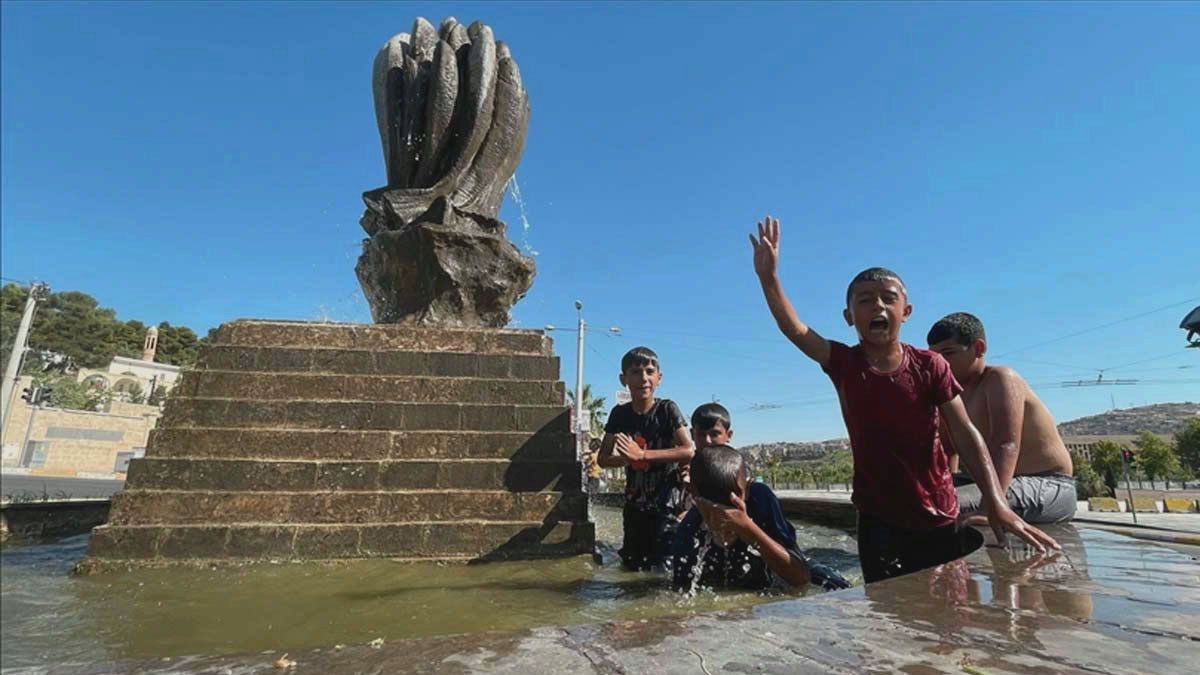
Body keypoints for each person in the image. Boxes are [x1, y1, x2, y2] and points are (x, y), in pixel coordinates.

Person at [748, 214, 1058, 584]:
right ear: (849, 316)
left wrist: (996, 500)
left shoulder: (930, 366)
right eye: (865, 301)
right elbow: (795, 329)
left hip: (938, 513)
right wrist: (769, 280)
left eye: (887, 299)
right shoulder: (844, 364)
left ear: (905, 312)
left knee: (948, 613)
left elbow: (965, 433)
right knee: (884, 614)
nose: (877, 306)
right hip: (877, 519)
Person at [672, 408, 851, 591]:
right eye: (712, 505)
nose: (724, 513)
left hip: (784, 568)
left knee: (835, 584)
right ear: (696, 498)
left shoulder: (759, 498)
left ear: (745, 491)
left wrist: (747, 528)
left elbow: (800, 578)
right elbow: (681, 591)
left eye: (732, 501)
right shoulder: (690, 529)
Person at [927, 312, 1076, 523]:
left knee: (940, 508)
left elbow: (1006, 443)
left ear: (978, 348)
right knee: (913, 499)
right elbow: (947, 451)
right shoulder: (950, 396)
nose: (939, 364)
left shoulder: (1000, 379)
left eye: (948, 353)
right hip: (983, 482)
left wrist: (990, 507)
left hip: (1048, 484)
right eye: (934, 357)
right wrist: (944, 484)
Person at [597, 346, 694, 570]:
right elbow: (603, 458)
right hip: (634, 503)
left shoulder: (667, 410)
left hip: (667, 502)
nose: (644, 378)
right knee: (631, 564)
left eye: (650, 372)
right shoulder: (619, 414)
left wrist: (642, 454)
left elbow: (688, 450)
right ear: (624, 379)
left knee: (664, 565)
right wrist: (625, 459)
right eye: (635, 372)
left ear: (659, 378)